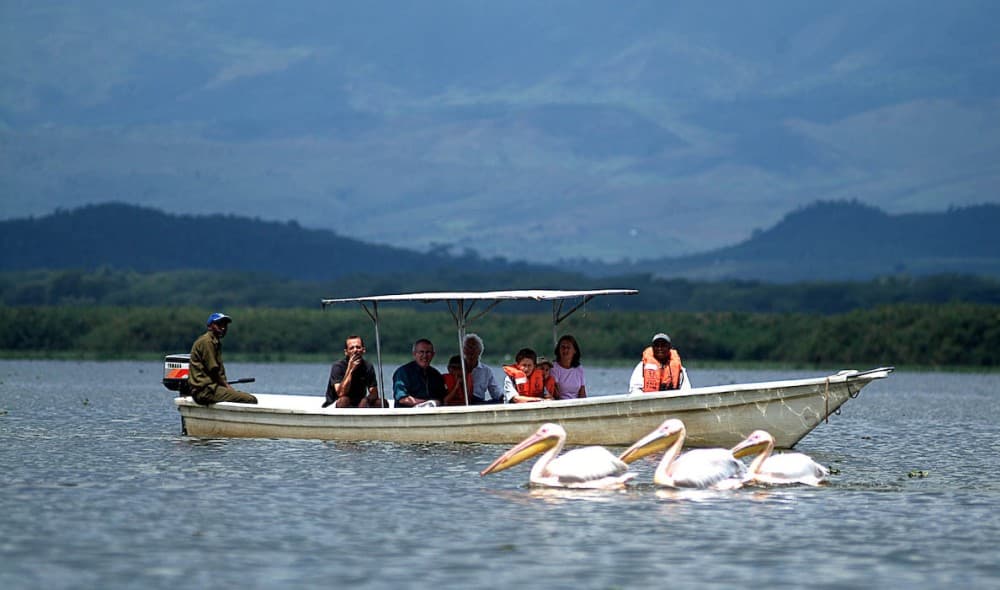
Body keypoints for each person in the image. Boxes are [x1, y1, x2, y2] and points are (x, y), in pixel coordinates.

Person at [188, 312, 258, 405]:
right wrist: (227, 386)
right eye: (219, 324)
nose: (223, 327)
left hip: (210, 389)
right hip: (205, 391)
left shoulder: (214, 342)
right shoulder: (207, 342)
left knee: (242, 395)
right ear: (210, 326)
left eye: (225, 325)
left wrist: (225, 387)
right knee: (251, 399)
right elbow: (214, 370)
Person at [323, 335, 384, 408]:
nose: (355, 350)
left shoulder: (367, 366)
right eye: (352, 348)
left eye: (358, 347)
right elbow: (341, 393)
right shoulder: (338, 367)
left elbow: (374, 393)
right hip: (336, 403)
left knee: (381, 402)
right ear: (346, 352)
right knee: (344, 400)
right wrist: (350, 369)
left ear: (363, 350)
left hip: (359, 402)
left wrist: (366, 400)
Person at [392, 338, 447, 408]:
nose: (425, 356)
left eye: (428, 352)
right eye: (421, 352)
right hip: (408, 414)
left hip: (433, 413)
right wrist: (428, 403)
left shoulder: (436, 375)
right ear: (414, 354)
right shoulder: (403, 372)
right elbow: (402, 399)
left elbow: (442, 398)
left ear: (433, 354)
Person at [460, 333, 503, 404]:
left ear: (479, 351)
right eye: (468, 347)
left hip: (478, 402)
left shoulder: (486, 371)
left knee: (497, 401)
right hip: (462, 401)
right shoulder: (459, 367)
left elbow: (495, 391)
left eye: (474, 347)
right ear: (463, 350)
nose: (471, 350)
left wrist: (505, 398)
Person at [550, 334, 586, 399]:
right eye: (563, 347)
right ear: (559, 350)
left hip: (576, 404)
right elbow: (556, 394)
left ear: (574, 351)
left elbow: (582, 392)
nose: (565, 350)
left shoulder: (579, 368)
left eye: (568, 347)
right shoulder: (554, 367)